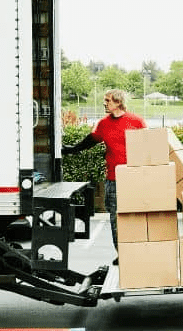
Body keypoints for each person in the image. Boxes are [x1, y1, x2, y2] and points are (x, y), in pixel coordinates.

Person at [62, 88, 146, 264]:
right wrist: (71, 149)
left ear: (118, 102)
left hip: (134, 179)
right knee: (115, 219)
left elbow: (148, 146)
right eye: (105, 100)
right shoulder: (104, 124)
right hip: (113, 180)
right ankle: (122, 255)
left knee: (137, 217)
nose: (104, 103)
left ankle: (140, 252)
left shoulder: (136, 122)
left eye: (107, 100)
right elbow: (91, 140)